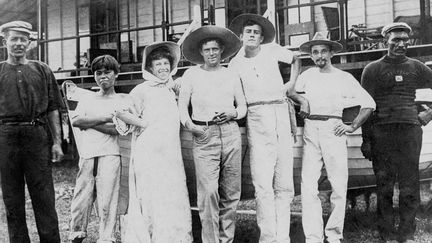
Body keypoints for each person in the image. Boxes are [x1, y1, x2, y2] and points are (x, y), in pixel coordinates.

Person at [228, 14, 308, 243]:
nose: (252, 36)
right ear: (241, 36)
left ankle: (283, 237)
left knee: (284, 183)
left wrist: (291, 84)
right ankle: (268, 238)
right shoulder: (235, 63)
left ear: (261, 37)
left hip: (281, 113)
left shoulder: (272, 50)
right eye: (248, 32)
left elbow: (295, 58)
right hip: (256, 116)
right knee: (263, 184)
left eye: (256, 33)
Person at [295, 32, 376, 243]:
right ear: (311, 56)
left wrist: (351, 126)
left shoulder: (343, 78)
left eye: (323, 51)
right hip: (311, 129)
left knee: (338, 184)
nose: (319, 55)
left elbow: (369, 104)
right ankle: (312, 236)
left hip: (334, 128)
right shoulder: (305, 76)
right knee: (308, 185)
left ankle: (334, 234)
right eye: (315, 52)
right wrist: (302, 102)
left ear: (331, 53)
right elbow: (290, 93)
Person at [114, 41, 192, 242]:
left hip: (170, 153)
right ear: (149, 68)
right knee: (151, 195)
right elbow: (120, 112)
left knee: (172, 191)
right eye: (158, 65)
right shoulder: (142, 89)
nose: (163, 68)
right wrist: (144, 123)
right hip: (148, 152)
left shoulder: (172, 88)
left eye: (166, 64)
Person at [361, 22, 432, 243]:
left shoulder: (417, 67)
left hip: (410, 132)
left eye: (404, 40)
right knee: (384, 186)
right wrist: (366, 140)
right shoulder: (372, 69)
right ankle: (387, 235)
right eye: (395, 40)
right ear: (386, 42)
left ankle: (407, 235)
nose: (401, 44)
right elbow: (365, 105)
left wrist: (428, 114)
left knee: (410, 186)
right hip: (382, 132)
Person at [178, 25, 247, 243]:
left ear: (222, 51)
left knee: (231, 192)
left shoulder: (231, 74)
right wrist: (191, 126)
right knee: (208, 192)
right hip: (203, 134)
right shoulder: (191, 74)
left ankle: (227, 239)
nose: (211, 54)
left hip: (230, 133)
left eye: (215, 49)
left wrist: (233, 112)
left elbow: (243, 106)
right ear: (201, 52)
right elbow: (182, 108)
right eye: (207, 50)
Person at [0, 21, 63, 242]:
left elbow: (54, 107)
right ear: (4, 40)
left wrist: (57, 142)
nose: (18, 43)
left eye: (22, 39)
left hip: (36, 135)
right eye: (13, 38)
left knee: (44, 197)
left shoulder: (42, 69)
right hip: (5, 137)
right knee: (12, 199)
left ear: (29, 42)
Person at [68, 55, 128, 243]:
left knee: (107, 199)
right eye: (98, 73)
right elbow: (77, 120)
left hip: (110, 154)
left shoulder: (122, 100)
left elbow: (118, 129)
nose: (103, 77)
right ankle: (77, 233)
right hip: (88, 154)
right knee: (82, 197)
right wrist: (104, 117)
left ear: (116, 74)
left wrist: (91, 122)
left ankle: (106, 236)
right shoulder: (88, 98)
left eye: (108, 72)